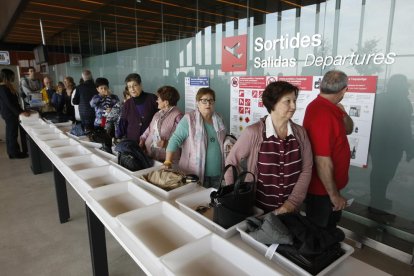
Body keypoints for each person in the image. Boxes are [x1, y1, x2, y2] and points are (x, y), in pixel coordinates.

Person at [226, 81, 313, 214]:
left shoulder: (300, 133)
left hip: (290, 212)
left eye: (294, 101)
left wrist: (291, 204)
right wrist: (234, 195)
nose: (293, 106)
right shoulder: (253, 132)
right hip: (257, 211)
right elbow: (231, 162)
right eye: (287, 101)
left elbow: (306, 170)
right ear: (273, 103)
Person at [303, 70, 354, 229]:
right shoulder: (322, 113)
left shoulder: (331, 108)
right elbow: (322, 160)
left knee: (327, 228)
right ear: (345, 90)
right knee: (321, 231)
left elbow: (349, 129)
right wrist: (334, 196)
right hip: (322, 192)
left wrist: (343, 113)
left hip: (327, 189)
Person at [165, 87, 227, 188]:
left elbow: (223, 141)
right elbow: (175, 140)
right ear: (198, 103)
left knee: (213, 202)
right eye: (204, 101)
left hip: (218, 174)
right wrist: (168, 161)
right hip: (194, 173)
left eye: (211, 100)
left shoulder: (219, 119)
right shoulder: (189, 119)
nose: (208, 104)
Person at [369, 74, 413, 212]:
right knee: (386, 173)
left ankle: (377, 198)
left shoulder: (379, 98)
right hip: (393, 146)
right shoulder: (403, 102)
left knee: (377, 172)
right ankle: (377, 202)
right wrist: (410, 148)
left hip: (377, 144)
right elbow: (404, 128)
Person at [139, 86, 183, 162]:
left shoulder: (178, 116)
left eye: (158, 99)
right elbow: (149, 129)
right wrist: (142, 140)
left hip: (168, 160)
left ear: (166, 102)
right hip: (151, 156)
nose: (157, 101)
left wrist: (167, 143)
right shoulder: (158, 114)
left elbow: (183, 139)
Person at [0, 69, 30, 159]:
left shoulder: (6, 87)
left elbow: (14, 102)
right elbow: (9, 103)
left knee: (10, 133)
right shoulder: (3, 88)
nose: (13, 77)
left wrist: (21, 111)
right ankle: (15, 153)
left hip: (8, 113)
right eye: (12, 76)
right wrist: (20, 112)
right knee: (12, 134)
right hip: (10, 114)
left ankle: (11, 153)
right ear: (7, 76)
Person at [118, 73, 158, 141]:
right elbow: (123, 124)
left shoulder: (152, 99)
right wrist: (118, 137)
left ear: (140, 85)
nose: (132, 89)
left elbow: (161, 119)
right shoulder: (127, 104)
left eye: (135, 85)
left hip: (150, 141)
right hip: (133, 142)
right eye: (129, 87)